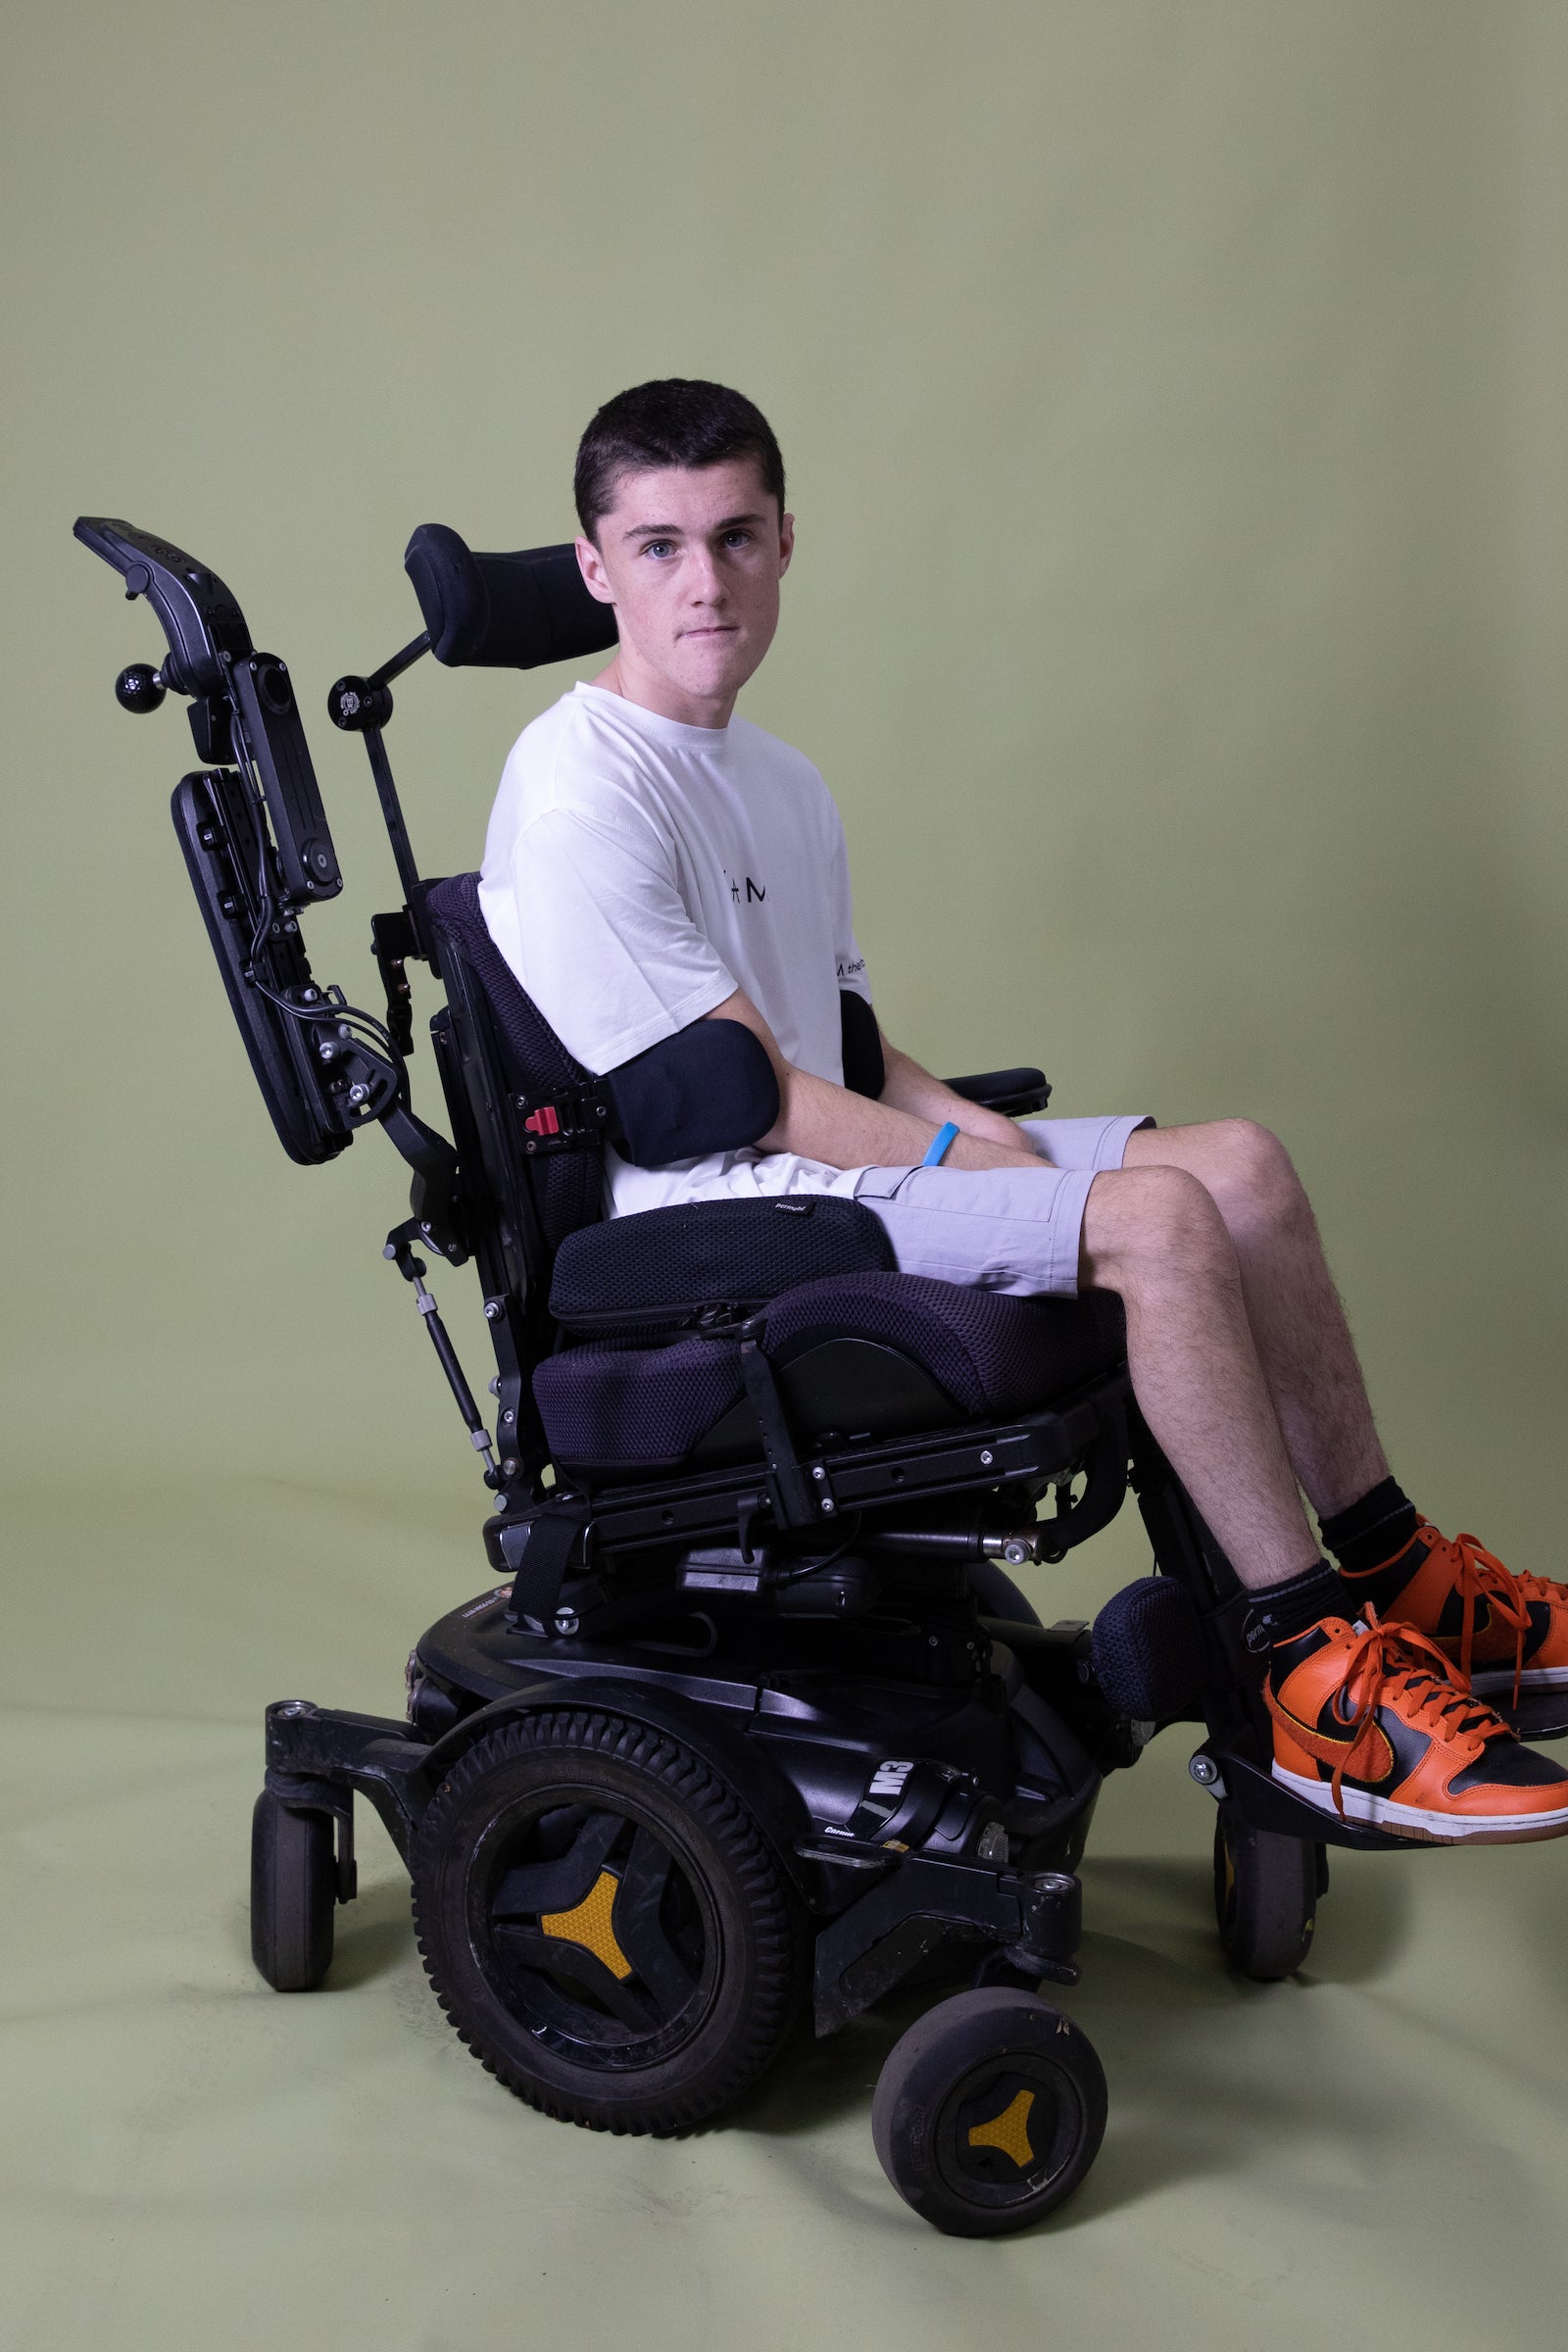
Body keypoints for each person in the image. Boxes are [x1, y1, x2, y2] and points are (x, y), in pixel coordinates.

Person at [480, 376, 1568, 1846]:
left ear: (787, 541)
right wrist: (967, 1158)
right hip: (722, 1215)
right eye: (658, 546)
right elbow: (741, 1099)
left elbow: (847, 1047)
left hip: (818, 1151)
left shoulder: (781, 782)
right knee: (1159, 1226)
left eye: (735, 537)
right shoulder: (578, 784)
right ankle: (1308, 1671)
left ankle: (1400, 1575)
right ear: (596, 568)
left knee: (1242, 1168)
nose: (706, 582)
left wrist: (966, 1133)